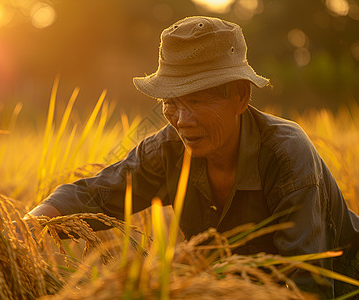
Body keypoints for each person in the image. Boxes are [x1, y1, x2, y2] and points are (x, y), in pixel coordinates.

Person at [26, 16, 359, 297]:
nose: (182, 121)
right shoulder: (168, 150)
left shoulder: (286, 155)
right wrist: (23, 230)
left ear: (241, 97)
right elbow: (92, 194)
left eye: (198, 101)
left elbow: (306, 284)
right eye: (172, 102)